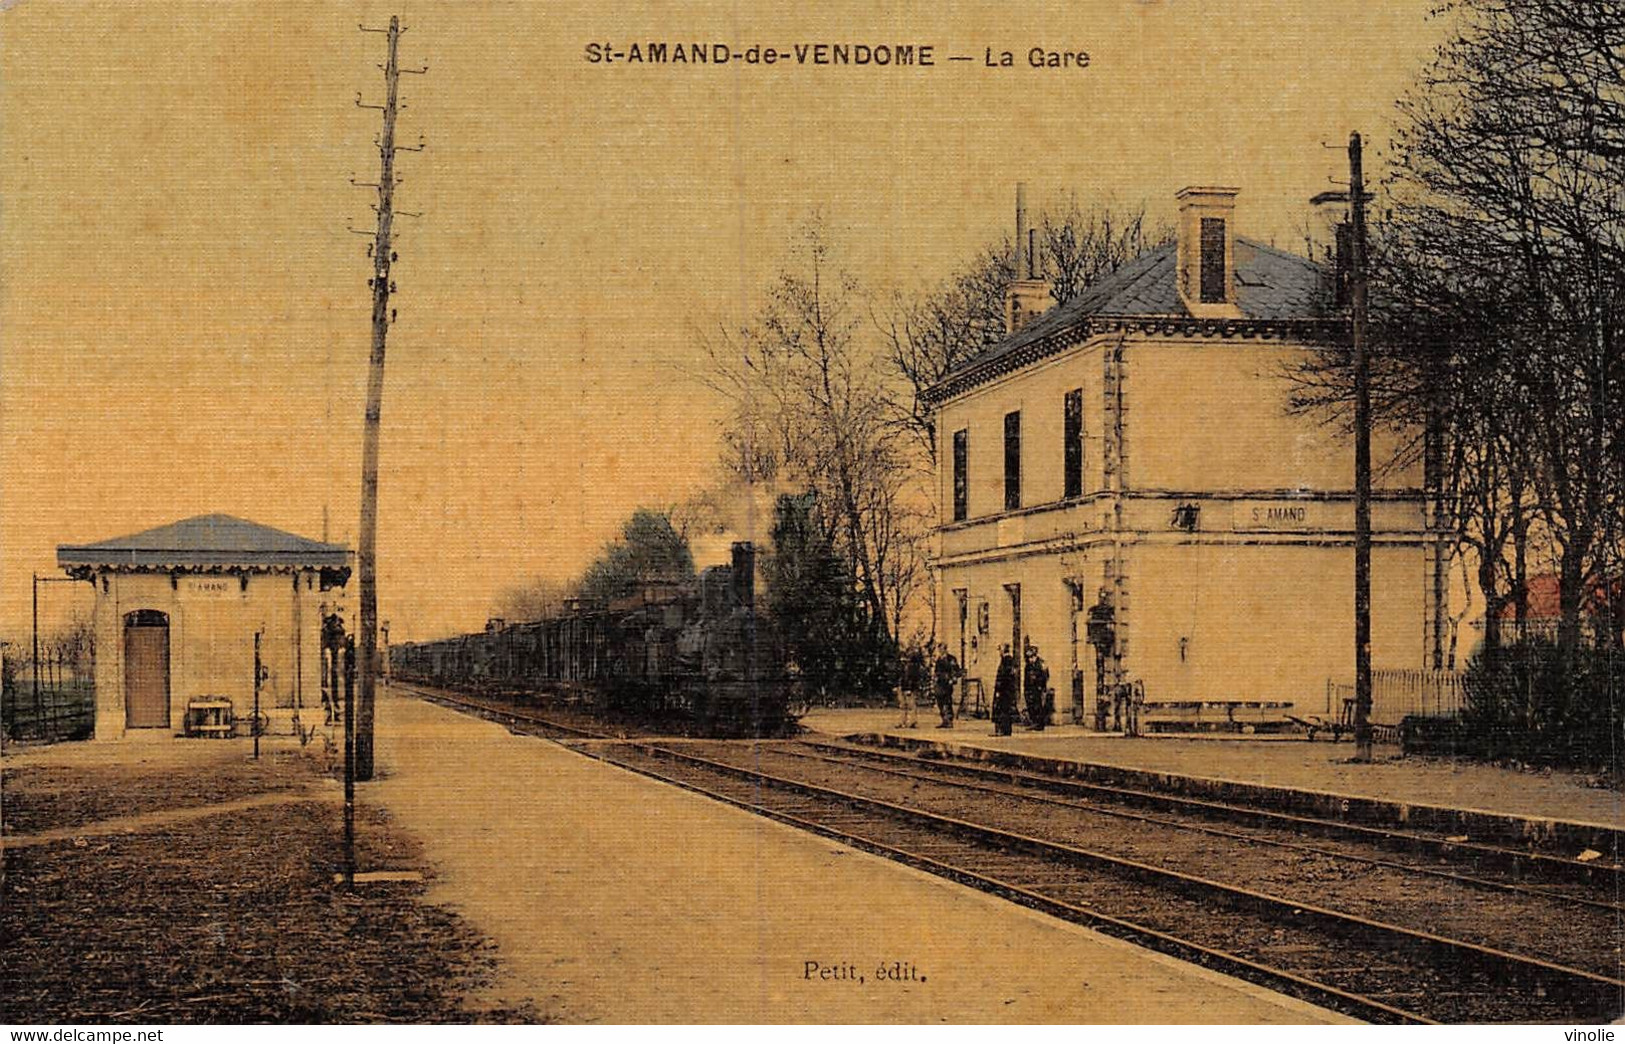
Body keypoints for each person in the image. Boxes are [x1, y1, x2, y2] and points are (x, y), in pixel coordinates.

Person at [1023, 640, 1051, 730]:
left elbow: (1046, 675)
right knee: (1031, 706)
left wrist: (1041, 686)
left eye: (1032, 657)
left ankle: (1039, 724)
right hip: (1030, 688)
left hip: (1038, 688)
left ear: (1035, 656)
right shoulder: (1028, 666)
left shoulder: (1041, 664)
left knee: (1038, 706)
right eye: (1029, 657)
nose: (1030, 659)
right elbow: (1026, 678)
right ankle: (1034, 722)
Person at [932, 644, 961, 728]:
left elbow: (956, 670)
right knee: (940, 701)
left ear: (945, 649)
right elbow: (936, 671)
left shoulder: (951, 659)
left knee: (947, 701)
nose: (940, 651)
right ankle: (944, 719)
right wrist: (935, 678)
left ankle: (949, 720)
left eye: (942, 649)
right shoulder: (939, 659)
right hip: (940, 683)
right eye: (939, 650)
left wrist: (953, 679)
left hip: (948, 683)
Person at [992, 644, 1018, 736]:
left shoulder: (1006, 661)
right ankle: (1005, 730)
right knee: (1005, 710)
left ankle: (1003, 730)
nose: (999, 652)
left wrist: (999, 690)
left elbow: (1004, 677)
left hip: (1004, 691)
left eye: (1000, 650)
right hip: (1008, 690)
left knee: (1002, 709)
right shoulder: (1009, 661)